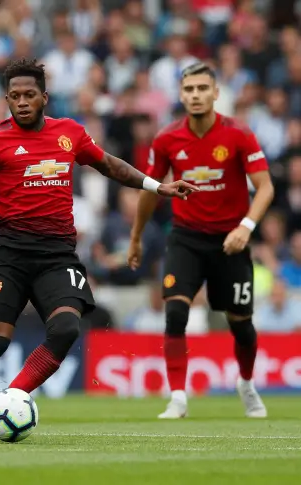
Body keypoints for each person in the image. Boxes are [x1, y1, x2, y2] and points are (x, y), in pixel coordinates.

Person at [0, 58, 195, 430]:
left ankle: (8, 400)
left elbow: (110, 165)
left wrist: (158, 186)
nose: (22, 102)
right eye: (14, 96)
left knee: (66, 331)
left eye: (29, 95)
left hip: (57, 254)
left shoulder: (69, 133)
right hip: (7, 254)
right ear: (6, 99)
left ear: (44, 96)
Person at [127, 62, 275, 419]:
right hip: (186, 238)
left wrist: (246, 227)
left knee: (241, 322)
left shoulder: (238, 134)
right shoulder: (166, 139)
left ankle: (246, 383)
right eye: (189, 89)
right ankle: (177, 397)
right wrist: (135, 238)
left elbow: (266, 186)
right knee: (175, 311)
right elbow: (150, 190)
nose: (195, 95)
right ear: (181, 94)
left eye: (202, 89)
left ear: (215, 93)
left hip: (231, 241)